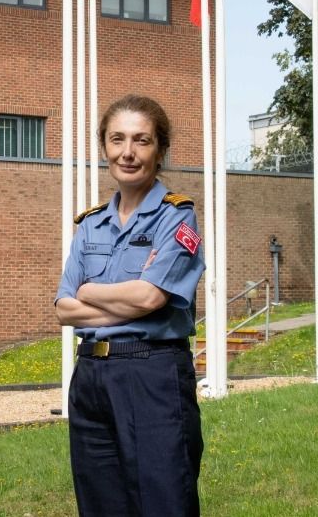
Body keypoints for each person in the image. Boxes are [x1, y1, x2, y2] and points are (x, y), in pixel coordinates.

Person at [55, 94, 205, 517]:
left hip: (151, 373)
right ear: (104, 147)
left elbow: (152, 297)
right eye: (117, 139)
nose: (128, 152)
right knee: (101, 505)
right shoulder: (90, 224)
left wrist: (90, 291)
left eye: (142, 140)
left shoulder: (177, 218)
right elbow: (64, 309)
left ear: (160, 151)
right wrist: (130, 296)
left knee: (164, 502)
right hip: (91, 378)